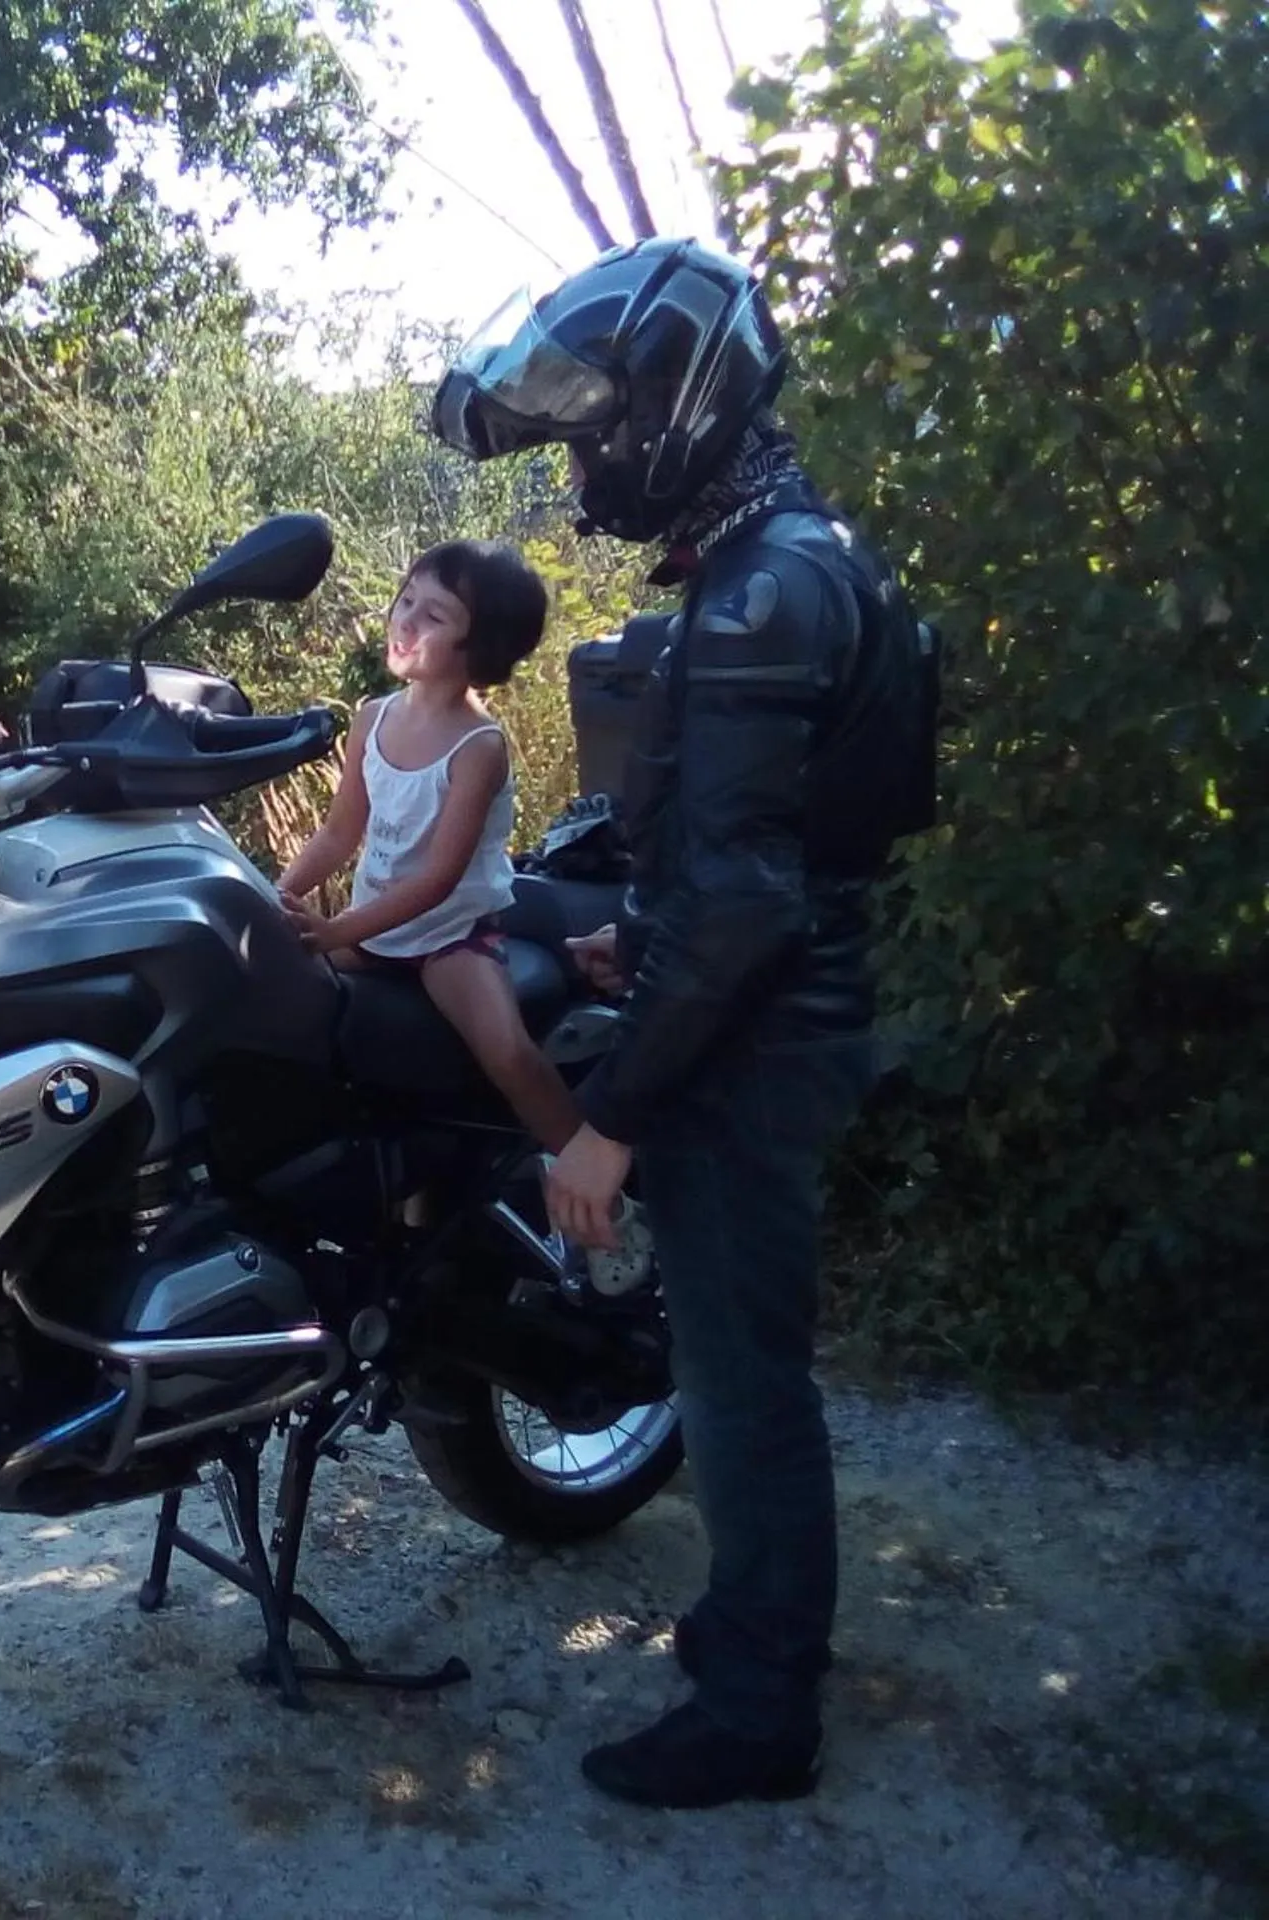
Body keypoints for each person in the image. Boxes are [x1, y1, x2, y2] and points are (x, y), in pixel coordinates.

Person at [431, 238, 939, 1808]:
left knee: (740, 1375)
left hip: (756, 1039)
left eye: (599, 427)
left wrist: (608, 1123)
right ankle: (746, 1627)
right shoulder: (790, 557)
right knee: (739, 1354)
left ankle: (762, 1709)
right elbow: (779, 863)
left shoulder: (762, 593)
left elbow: (751, 909)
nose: (587, 457)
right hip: (774, 1004)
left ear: (685, 400)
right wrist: (630, 937)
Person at [275, 542, 583, 1154]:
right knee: (277, 1002)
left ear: (482, 647)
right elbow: (340, 834)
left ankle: (594, 1188)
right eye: (406, 599)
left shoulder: (478, 747)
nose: (406, 620)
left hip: (450, 939)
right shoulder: (372, 719)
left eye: (434, 616)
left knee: (509, 1053)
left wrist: (338, 932)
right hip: (373, 935)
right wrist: (278, 894)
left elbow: (439, 877)